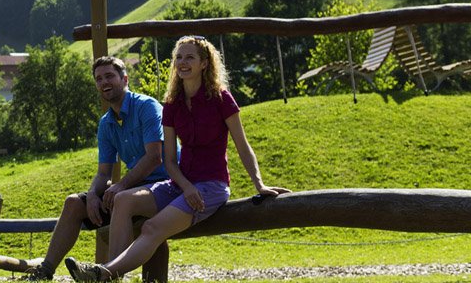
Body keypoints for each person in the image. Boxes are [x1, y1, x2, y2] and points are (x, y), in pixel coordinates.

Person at [65, 36, 290, 282]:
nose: (182, 62)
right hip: (179, 184)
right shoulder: (172, 104)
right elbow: (169, 161)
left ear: (204, 63)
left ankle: (105, 273)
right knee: (123, 199)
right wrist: (186, 186)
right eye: (178, 57)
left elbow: (243, 146)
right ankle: (110, 275)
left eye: (190, 57)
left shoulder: (221, 99)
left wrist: (259, 184)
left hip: (212, 186)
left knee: (152, 227)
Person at [26, 56, 171, 281]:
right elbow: (104, 172)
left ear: (125, 79)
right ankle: (44, 272)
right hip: (136, 186)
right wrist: (94, 193)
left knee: (122, 197)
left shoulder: (147, 107)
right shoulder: (106, 123)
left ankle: (107, 275)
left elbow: (154, 158)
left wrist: (121, 185)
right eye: (99, 78)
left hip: (166, 185)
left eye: (110, 76)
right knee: (74, 203)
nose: (104, 82)